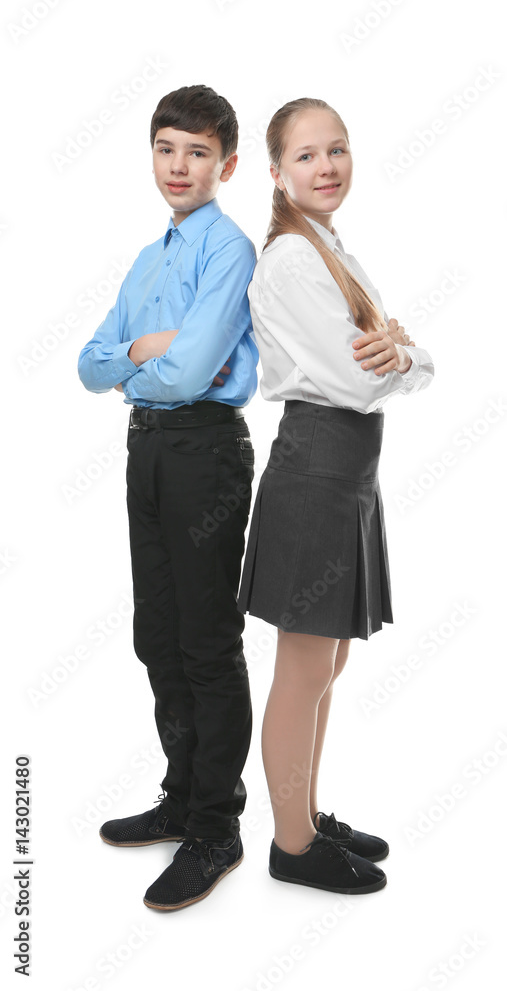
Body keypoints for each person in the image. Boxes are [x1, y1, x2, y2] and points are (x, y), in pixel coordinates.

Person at [237, 97, 435, 895]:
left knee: (331, 661)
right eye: (308, 156)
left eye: (337, 150)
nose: (326, 167)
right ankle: (291, 846)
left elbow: (401, 358)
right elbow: (364, 376)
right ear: (278, 173)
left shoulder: (330, 245)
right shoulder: (290, 259)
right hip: (316, 469)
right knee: (303, 665)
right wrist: (405, 355)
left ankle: (306, 816)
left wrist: (405, 353)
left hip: (347, 473)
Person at [78, 85, 259, 911]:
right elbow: (87, 364)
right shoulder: (150, 259)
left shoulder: (229, 250)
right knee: (157, 633)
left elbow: (191, 374)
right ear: (151, 154)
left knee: (205, 640)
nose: (178, 166)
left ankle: (216, 827)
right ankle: (180, 797)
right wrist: (145, 350)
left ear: (224, 164)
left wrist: (140, 356)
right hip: (145, 450)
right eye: (165, 149)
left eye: (196, 153)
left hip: (202, 454)